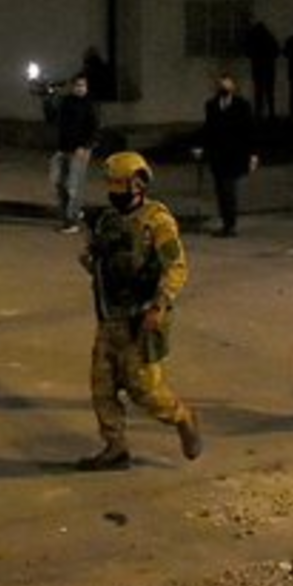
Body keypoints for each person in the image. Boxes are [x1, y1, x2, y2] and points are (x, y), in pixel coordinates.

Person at [74, 151, 203, 471]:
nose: (114, 192)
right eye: (112, 186)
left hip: (141, 318)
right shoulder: (107, 220)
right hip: (110, 317)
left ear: (138, 185)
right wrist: (92, 261)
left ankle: (183, 417)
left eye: (120, 185)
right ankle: (115, 446)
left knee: (145, 391)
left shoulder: (157, 221)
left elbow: (176, 266)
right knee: (101, 386)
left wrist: (161, 304)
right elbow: (101, 261)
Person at [191, 72, 257, 237]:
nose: (224, 87)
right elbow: (208, 129)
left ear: (233, 86)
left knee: (229, 189)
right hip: (217, 153)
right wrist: (200, 146)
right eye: (222, 84)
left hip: (235, 154)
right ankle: (226, 222)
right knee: (220, 190)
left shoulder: (242, 105)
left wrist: (253, 154)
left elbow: (249, 131)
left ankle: (230, 224)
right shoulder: (212, 105)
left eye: (227, 84)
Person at [46, 72, 99, 235]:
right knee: (57, 181)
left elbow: (94, 128)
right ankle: (71, 212)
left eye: (83, 86)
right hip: (63, 148)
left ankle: (72, 220)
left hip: (80, 150)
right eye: (77, 85)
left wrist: (85, 146)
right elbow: (52, 118)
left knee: (73, 185)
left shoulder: (90, 105)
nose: (80, 89)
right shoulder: (66, 102)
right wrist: (48, 99)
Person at [244, 22, 280, 121]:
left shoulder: (254, 40)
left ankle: (259, 113)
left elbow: (248, 52)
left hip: (258, 68)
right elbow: (276, 52)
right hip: (269, 68)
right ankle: (271, 113)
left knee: (259, 92)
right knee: (269, 92)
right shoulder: (269, 38)